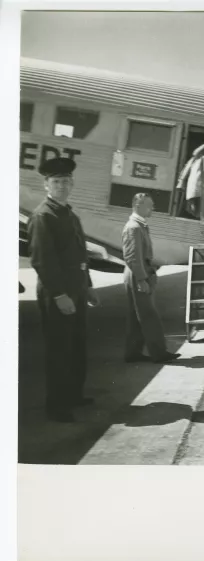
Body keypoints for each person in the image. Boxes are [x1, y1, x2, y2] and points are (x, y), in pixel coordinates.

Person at [27, 157, 99, 423]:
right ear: (46, 185)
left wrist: (88, 286)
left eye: (66, 182)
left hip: (76, 290)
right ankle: (56, 406)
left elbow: (80, 255)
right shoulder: (43, 216)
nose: (61, 186)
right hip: (58, 293)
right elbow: (42, 260)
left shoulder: (69, 213)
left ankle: (73, 395)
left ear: (72, 184)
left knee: (76, 345)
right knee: (59, 349)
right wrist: (59, 295)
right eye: (56, 182)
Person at [122, 193, 181, 364]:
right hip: (137, 273)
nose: (153, 208)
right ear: (138, 206)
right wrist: (141, 279)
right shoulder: (134, 227)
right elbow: (132, 256)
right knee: (149, 315)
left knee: (136, 315)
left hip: (138, 272)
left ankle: (132, 353)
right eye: (150, 205)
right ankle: (159, 353)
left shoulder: (139, 225)